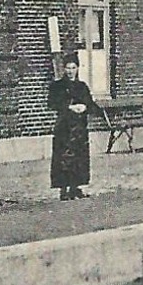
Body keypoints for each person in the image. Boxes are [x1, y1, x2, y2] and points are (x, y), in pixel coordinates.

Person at [47, 53, 102, 200]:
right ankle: (64, 189)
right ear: (64, 69)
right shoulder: (57, 86)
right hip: (64, 127)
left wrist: (84, 107)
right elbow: (52, 103)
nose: (70, 71)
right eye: (68, 68)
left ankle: (75, 187)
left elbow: (91, 104)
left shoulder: (82, 86)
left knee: (79, 157)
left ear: (77, 68)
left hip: (79, 127)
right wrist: (69, 107)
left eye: (73, 67)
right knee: (64, 157)